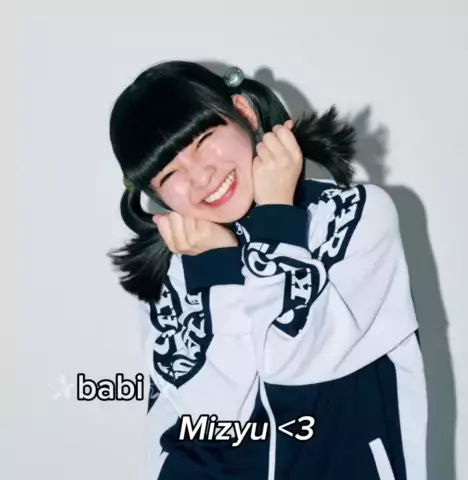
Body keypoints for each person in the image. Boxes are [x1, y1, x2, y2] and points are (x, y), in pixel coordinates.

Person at [107, 61, 427, 480]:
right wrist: (217, 268)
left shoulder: (356, 218)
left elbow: (291, 362)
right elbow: (216, 420)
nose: (200, 177)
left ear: (245, 112)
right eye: (169, 173)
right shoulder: (174, 271)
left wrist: (276, 218)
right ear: (156, 194)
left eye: (204, 140)